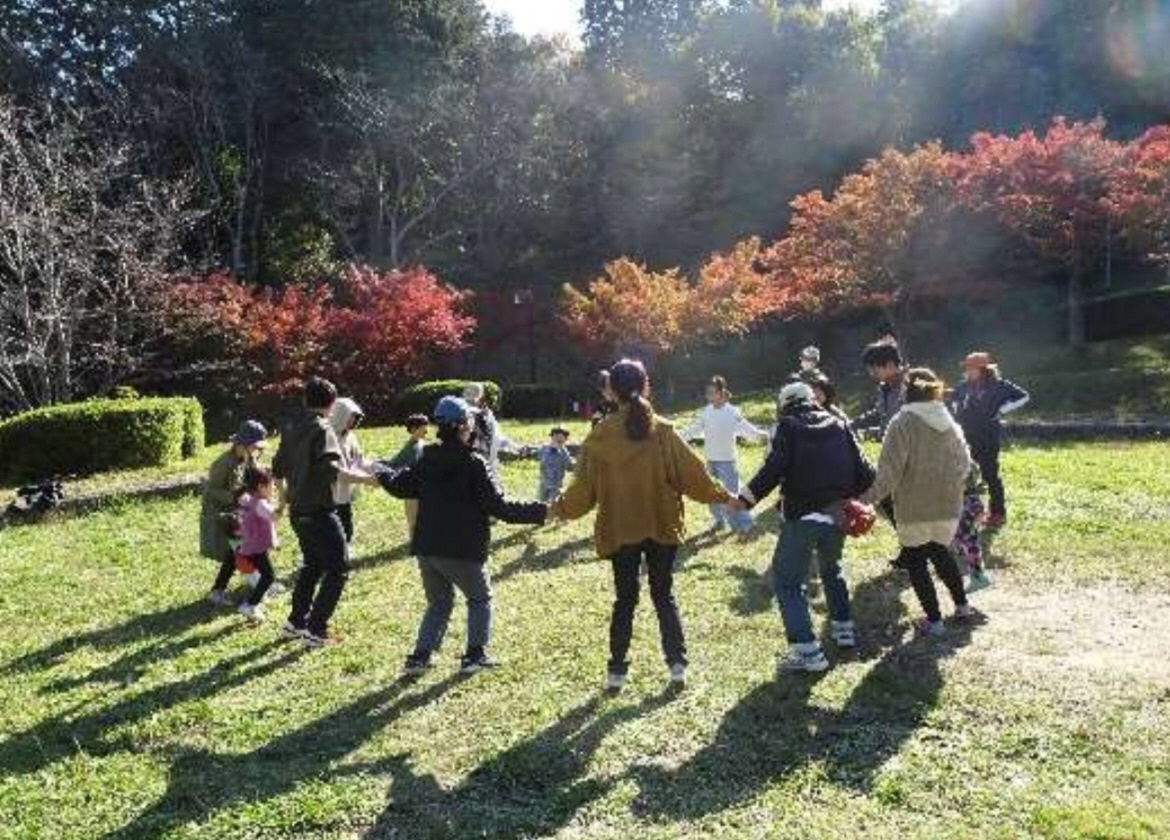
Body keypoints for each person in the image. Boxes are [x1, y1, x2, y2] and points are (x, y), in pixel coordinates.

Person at [552, 359, 733, 691]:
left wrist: (556, 509)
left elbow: (582, 491)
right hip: (662, 522)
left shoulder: (600, 436)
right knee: (664, 595)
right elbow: (693, 475)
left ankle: (616, 672)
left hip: (620, 526)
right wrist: (725, 496)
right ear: (646, 385)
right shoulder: (663, 430)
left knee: (625, 599)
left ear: (611, 391)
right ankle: (677, 665)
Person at [378, 396, 547, 675]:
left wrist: (382, 473)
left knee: (439, 603)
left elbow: (400, 486)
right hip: (462, 550)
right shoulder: (474, 463)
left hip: (427, 548)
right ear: (463, 426)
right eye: (470, 422)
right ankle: (474, 656)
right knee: (479, 599)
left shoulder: (428, 458)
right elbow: (500, 508)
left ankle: (419, 658)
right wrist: (542, 511)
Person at [731, 382, 876, 674]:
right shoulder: (839, 424)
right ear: (812, 400)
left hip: (803, 516)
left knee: (787, 582)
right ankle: (843, 630)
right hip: (837, 516)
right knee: (832, 570)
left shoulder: (788, 426)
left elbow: (774, 467)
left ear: (785, 405)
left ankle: (808, 653)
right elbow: (866, 473)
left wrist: (745, 499)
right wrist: (844, 494)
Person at [862, 368, 978, 637]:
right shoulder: (949, 420)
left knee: (916, 561)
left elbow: (889, 472)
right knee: (940, 552)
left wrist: (865, 499)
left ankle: (934, 621)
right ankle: (962, 607)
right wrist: (951, 488)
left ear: (906, 390)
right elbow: (965, 464)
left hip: (914, 507)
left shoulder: (902, 422)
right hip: (948, 504)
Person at [273, 377, 379, 648]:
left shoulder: (290, 426)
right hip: (320, 510)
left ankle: (295, 623)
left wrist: (283, 502)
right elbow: (333, 470)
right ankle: (316, 629)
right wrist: (368, 480)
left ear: (305, 400)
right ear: (332, 405)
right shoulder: (323, 429)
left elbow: (277, 469)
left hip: (299, 511)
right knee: (339, 568)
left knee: (312, 565)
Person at [680, 375, 769, 535]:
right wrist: (676, 437)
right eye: (707, 393)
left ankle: (745, 524)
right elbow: (693, 429)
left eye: (712, 393)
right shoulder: (706, 412)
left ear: (722, 393)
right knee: (711, 493)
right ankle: (718, 520)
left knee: (733, 495)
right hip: (711, 461)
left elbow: (748, 430)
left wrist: (764, 435)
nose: (709, 396)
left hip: (727, 462)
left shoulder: (733, 412)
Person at [950, 352, 1030, 528]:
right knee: (965, 474)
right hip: (965, 436)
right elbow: (954, 400)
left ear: (984, 369)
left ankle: (997, 513)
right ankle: (971, 512)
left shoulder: (999, 385)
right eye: (967, 368)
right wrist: (957, 411)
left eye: (971, 368)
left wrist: (1002, 409)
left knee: (990, 474)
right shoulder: (963, 386)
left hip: (988, 436)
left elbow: (1024, 396)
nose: (967, 371)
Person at [202, 420, 268, 606]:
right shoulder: (222, 464)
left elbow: (252, 475)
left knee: (238, 551)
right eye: (254, 446)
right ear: (242, 444)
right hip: (224, 515)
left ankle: (220, 590)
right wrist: (236, 497)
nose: (257, 450)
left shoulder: (247, 458)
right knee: (238, 551)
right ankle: (258, 583)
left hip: (241, 511)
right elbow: (211, 491)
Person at [236, 467, 282, 622]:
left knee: (265, 576)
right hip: (253, 551)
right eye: (272, 486)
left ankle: (258, 599)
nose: (274, 489)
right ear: (261, 487)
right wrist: (285, 499)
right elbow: (274, 516)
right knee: (268, 577)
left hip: (248, 549)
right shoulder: (260, 504)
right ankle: (250, 605)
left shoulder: (249, 498)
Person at [384, 414, 429, 536]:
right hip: (411, 490)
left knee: (423, 517)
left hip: (422, 488)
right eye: (423, 427)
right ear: (414, 429)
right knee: (413, 519)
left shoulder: (422, 443)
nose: (426, 430)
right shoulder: (410, 448)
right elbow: (393, 464)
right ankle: (414, 543)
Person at [463, 382, 518, 484]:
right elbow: (496, 437)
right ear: (480, 396)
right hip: (481, 458)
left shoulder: (462, 411)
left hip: (474, 459)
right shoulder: (483, 414)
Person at [329, 397, 366, 545]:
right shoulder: (327, 437)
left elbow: (358, 457)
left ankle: (346, 550)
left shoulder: (350, 436)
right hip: (330, 494)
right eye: (350, 417)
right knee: (334, 529)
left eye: (355, 417)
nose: (352, 421)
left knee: (347, 525)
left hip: (345, 491)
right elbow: (333, 470)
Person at [854, 342, 906, 440]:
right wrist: (851, 426)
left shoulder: (911, 388)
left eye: (874, 369)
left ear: (890, 365)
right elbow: (879, 414)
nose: (872, 374)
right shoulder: (884, 388)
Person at [953, 464, 993, 593]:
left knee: (971, 550)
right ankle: (977, 576)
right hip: (966, 531)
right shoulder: (971, 497)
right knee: (969, 549)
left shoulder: (969, 499)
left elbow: (979, 512)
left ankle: (978, 577)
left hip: (967, 532)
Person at [538, 427, 575, 504]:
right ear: (551, 438)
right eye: (555, 437)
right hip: (543, 483)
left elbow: (569, 466)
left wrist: (581, 465)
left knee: (553, 504)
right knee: (541, 502)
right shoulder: (544, 449)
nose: (557, 441)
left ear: (565, 440)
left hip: (555, 485)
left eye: (561, 440)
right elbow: (534, 453)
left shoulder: (563, 452)